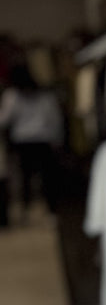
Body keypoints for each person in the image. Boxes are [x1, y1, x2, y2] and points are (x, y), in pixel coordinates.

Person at [0, 63, 64, 219]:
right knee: (44, 177)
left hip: (25, 140)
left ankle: (28, 210)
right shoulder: (43, 94)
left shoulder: (13, 95)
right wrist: (57, 138)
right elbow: (55, 119)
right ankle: (49, 210)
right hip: (42, 139)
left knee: (27, 177)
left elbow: (4, 119)